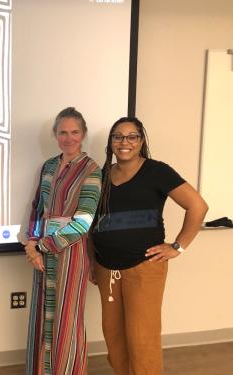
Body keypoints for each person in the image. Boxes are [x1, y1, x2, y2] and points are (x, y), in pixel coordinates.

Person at [91, 117, 208, 375]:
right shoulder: (100, 175)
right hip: (106, 269)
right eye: (118, 136)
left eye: (132, 136)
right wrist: (92, 261)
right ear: (111, 142)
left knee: (142, 340)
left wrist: (178, 247)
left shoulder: (157, 171)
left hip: (144, 269)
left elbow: (198, 206)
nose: (125, 142)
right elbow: (93, 223)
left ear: (141, 141)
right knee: (114, 338)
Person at [23, 107, 102, 374]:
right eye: (63, 132)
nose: (68, 138)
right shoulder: (49, 166)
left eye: (75, 132)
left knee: (67, 319)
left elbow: (82, 223)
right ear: (55, 135)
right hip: (41, 253)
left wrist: (43, 246)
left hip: (72, 254)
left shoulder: (92, 170)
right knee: (42, 316)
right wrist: (32, 244)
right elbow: (37, 208)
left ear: (83, 134)